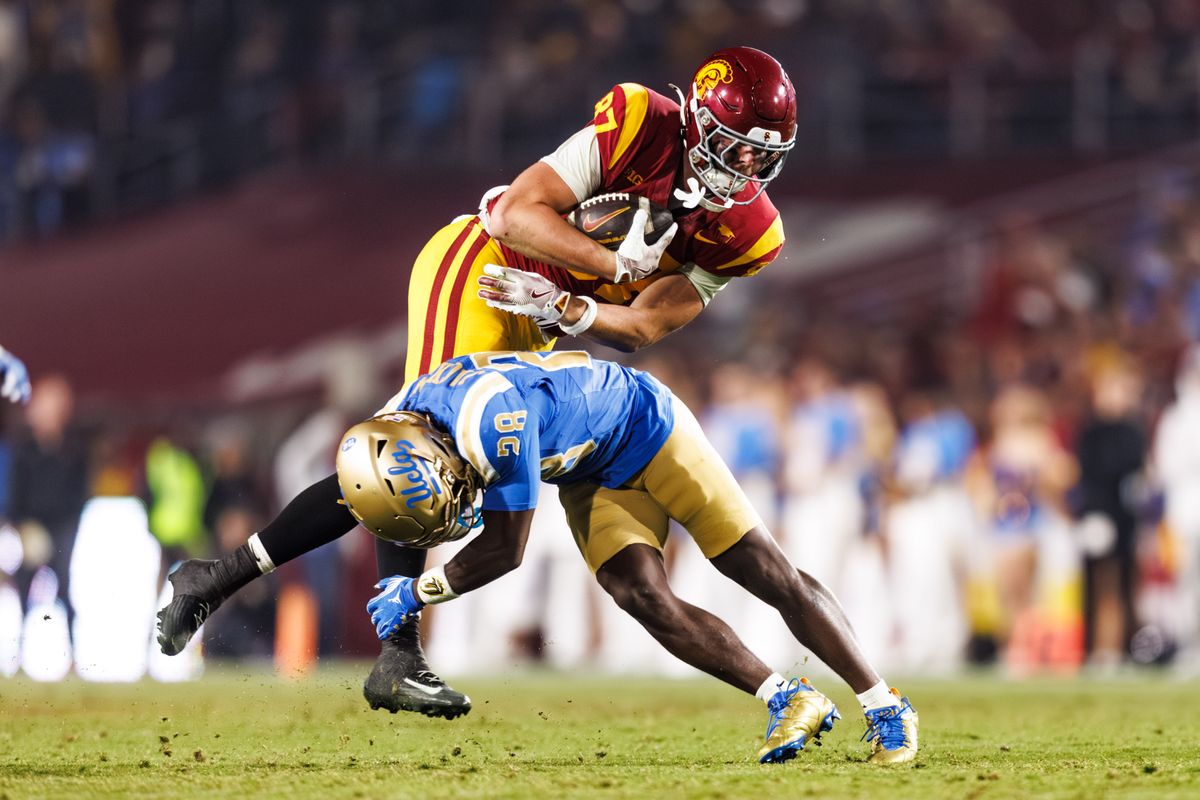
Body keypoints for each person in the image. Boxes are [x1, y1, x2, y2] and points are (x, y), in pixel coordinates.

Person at [157, 351, 918, 764]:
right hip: (587, 468)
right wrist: (231, 572)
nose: (441, 507)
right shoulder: (401, 426)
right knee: (640, 596)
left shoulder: (493, 422)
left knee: (762, 571)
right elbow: (368, 497)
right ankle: (788, 698)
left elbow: (506, 547)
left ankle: (885, 705)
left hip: (649, 430)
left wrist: (420, 592)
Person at [368, 45, 799, 718]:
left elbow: (643, 327)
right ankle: (386, 646)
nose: (745, 165)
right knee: (417, 447)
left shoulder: (752, 231)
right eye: (734, 144)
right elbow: (511, 214)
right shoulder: (640, 120)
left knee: (469, 479)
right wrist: (611, 263)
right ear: (696, 118)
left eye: (761, 154)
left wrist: (571, 307)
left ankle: (833, 693)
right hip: (493, 269)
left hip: (557, 330)